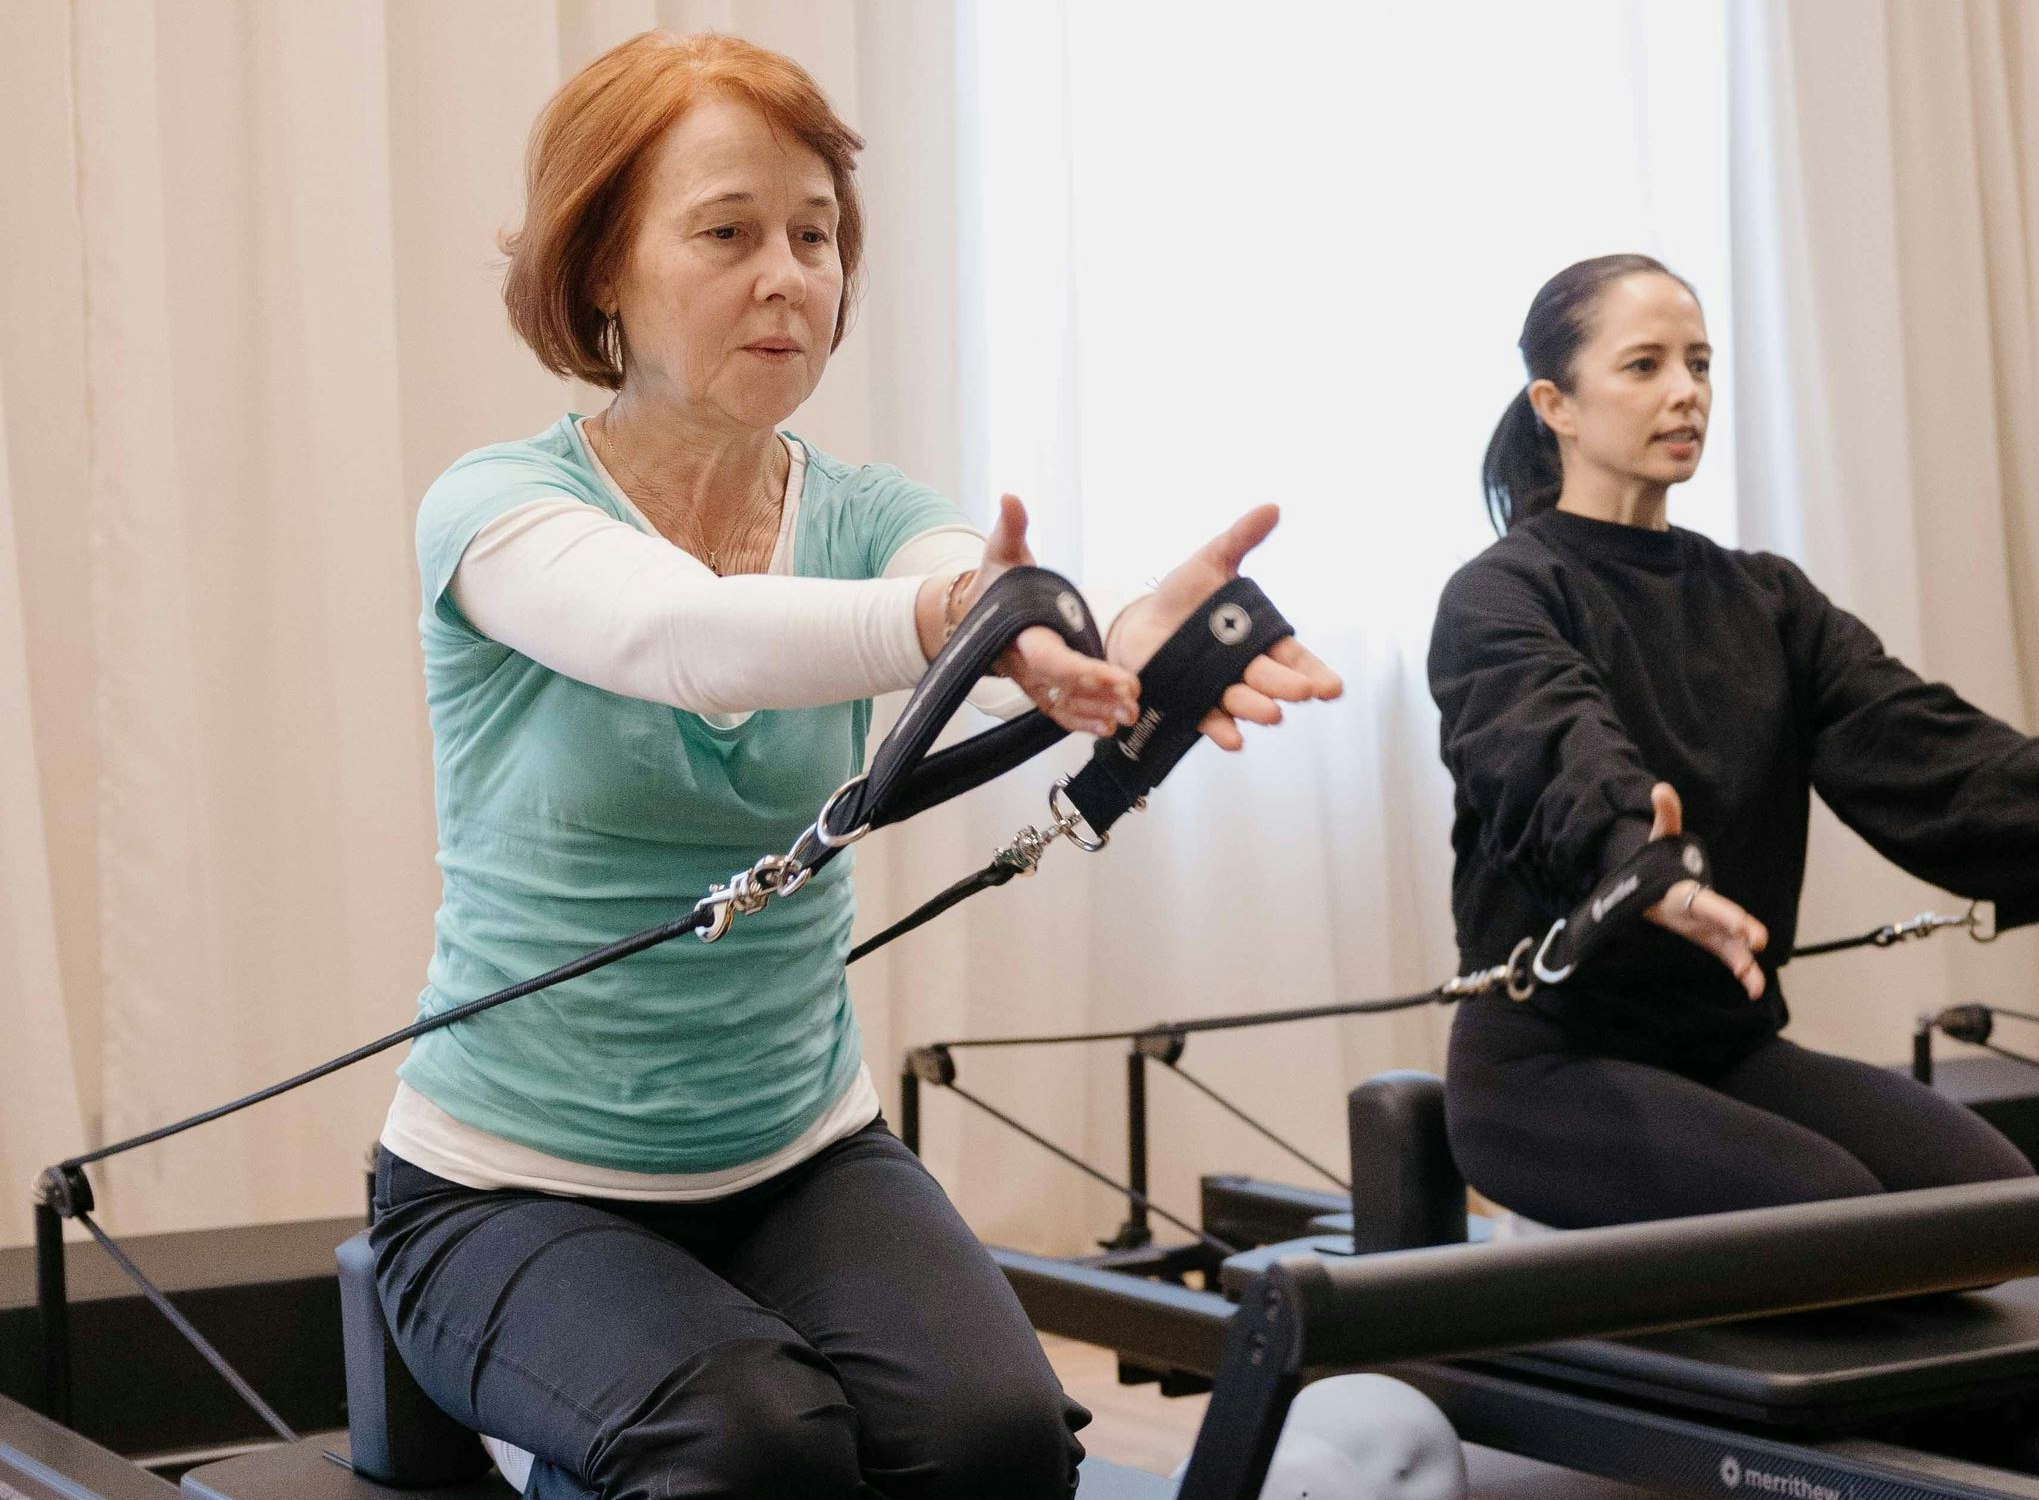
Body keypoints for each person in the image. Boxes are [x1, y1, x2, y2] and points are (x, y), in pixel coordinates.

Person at [368, 32, 1341, 1500]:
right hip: (503, 1188)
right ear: (599, 273)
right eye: (727, 233)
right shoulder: (497, 513)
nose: (790, 276)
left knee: (998, 1445)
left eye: (815, 236)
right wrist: (967, 620)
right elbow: (685, 637)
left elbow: (969, 578)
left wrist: (1088, 644)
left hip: (798, 1157)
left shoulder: (876, 511)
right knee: (749, 1446)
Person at [1429, 253, 2039, 1231]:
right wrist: (1639, 857)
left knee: (1992, 1205)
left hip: (1725, 1048)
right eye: (1644, 365)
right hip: (1547, 1068)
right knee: (1838, 1223)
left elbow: (1930, 751)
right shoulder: (1502, 594)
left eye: (1699, 364)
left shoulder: (1762, 599)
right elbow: (1544, 743)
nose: (1686, 393)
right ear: (1556, 404)